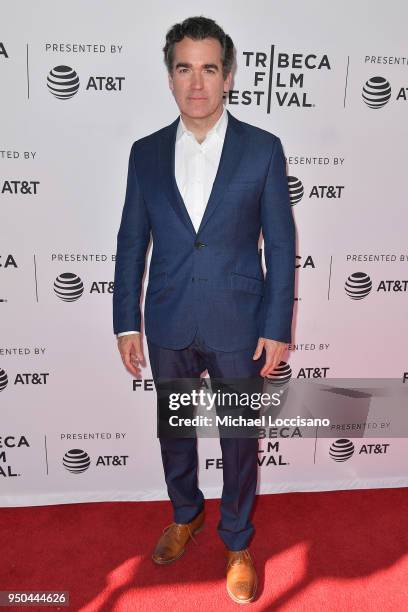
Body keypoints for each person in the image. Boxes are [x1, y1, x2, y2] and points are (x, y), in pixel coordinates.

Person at [113, 16, 295, 605]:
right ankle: (186, 513)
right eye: (184, 68)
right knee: (175, 430)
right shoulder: (144, 154)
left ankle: (237, 541)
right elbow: (130, 243)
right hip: (167, 319)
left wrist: (275, 327)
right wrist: (125, 320)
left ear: (228, 76)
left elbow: (283, 244)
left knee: (240, 439)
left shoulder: (263, 149)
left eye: (209, 68)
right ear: (170, 79)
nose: (197, 83)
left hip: (239, 323)